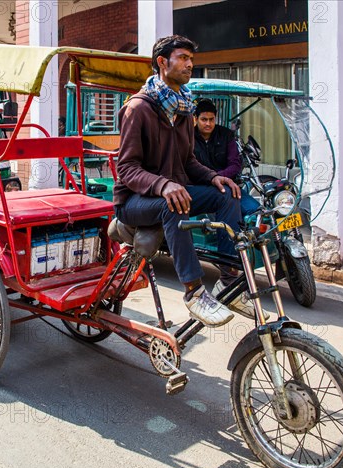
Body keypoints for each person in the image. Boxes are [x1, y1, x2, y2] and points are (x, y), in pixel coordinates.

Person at [113, 35, 242, 327]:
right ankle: (194, 292)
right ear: (162, 62)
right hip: (134, 200)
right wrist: (163, 185)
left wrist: (214, 177)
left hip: (174, 193)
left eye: (191, 60)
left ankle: (228, 277)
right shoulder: (138, 109)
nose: (189, 65)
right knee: (174, 203)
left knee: (227, 194)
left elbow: (188, 162)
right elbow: (127, 169)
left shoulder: (184, 110)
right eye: (183, 58)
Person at [192, 99, 268, 319]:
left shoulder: (226, 136)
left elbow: (235, 163)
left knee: (255, 210)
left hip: (229, 186)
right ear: (195, 120)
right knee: (225, 218)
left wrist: (221, 178)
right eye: (204, 119)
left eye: (211, 119)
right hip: (203, 188)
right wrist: (212, 179)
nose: (208, 123)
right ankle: (228, 273)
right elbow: (190, 165)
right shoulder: (187, 137)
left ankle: (244, 257)